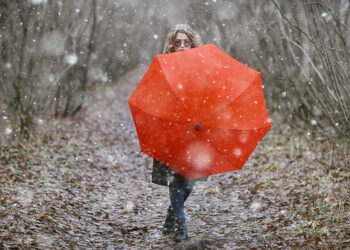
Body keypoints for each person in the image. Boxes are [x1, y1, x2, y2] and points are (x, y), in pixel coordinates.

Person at [152, 24, 207, 242]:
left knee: (190, 180)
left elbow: (207, 95)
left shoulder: (202, 66)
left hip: (196, 130)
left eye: (186, 42)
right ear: (172, 46)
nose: (182, 46)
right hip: (171, 130)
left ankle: (171, 215)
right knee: (176, 178)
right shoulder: (163, 67)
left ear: (192, 43)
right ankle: (181, 224)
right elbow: (155, 98)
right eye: (178, 42)